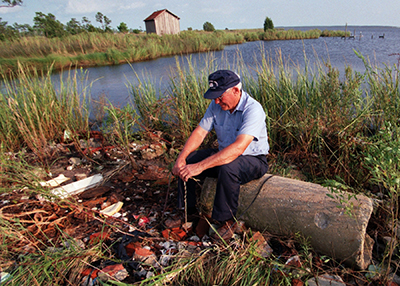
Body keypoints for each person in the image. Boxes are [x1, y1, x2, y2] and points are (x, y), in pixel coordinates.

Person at [172, 69, 269, 240]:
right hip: (225, 154)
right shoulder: (216, 106)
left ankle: (226, 220)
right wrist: (182, 157)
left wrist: (200, 167)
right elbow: (200, 133)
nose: (216, 101)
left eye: (220, 97)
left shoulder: (253, 109)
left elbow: (238, 148)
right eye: (214, 97)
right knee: (188, 160)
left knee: (227, 166)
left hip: (253, 160)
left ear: (235, 91)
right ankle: (188, 212)